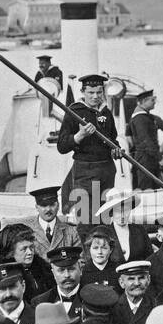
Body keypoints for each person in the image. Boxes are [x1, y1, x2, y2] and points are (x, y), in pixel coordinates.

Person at [56, 73, 120, 226]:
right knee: (86, 219)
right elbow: (62, 146)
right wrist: (80, 135)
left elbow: (113, 139)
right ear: (83, 92)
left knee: (105, 218)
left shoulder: (106, 112)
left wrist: (116, 150)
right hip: (85, 173)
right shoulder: (74, 111)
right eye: (91, 92)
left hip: (106, 171)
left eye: (99, 92)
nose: (95, 96)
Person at [126, 88, 163, 185]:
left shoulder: (136, 118)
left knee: (152, 184)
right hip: (146, 160)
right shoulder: (141, 119)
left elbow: (128, 136)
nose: (155, 102)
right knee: (147, 186)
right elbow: (146, 142)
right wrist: (160, 158)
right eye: (152, 100)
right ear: (143, 101)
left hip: (146, 157)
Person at [0, 222, 55, 297]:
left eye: (31, 247)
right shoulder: (4, 276)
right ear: (10, 252)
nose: (30, 252)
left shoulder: (44, 270)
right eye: (24, 249)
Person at [32, 244, 86, 323]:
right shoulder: (40, 303)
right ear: (53, 273)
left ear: (80, 270)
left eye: (71, 269)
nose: (67, 275)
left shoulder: (92, 299)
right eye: (61, 270)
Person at [99, 186, 153, 264]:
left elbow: (149, 258)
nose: (122, 215)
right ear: (111, 212)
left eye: (126, 210)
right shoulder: (104, 234)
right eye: (118, 211)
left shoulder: (140, 231)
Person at [21, 185, 78, 259]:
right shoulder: (26, 231)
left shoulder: (72, 232)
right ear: (37, 207)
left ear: (58, 205)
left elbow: (80, 261)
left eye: (52, 205)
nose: (48, 209)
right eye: (43, 205)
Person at [112, 260, 158, 324]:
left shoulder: (156, 306)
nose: (137, 283)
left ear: (148, 280)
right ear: (122, 283)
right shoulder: (113, 307)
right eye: (131, 279)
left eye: (141, 278)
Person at [80, 225, 118, 290]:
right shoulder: (82, 272)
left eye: (104, 248)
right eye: (95, 248)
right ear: (89, 249)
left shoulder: (117, 271)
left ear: (111, 249)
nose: (99, 252)